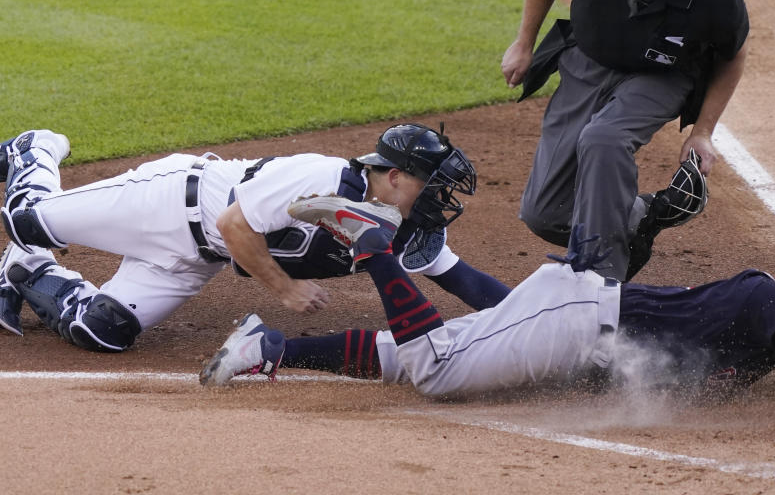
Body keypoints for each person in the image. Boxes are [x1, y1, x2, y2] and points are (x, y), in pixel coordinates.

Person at [200, 196, 775, 432]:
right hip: (574, 321)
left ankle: (272, 348)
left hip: (571, 328)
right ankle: (371, 242)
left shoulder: (770, 332)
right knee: (437, 371)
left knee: (409, 352)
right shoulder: (774, 302)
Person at [0, 124, 510, 350]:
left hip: (193, 260)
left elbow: (467, 283)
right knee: (23, 219)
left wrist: (532, 317)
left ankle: (28, 269)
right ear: (396, 176)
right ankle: (35, 149)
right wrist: (285, 289)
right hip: (169, 205)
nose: (440, 199)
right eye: (433, 185)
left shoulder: (401, 228)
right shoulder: (322, 179)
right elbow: (233, 226)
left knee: (101, 331)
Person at [501, 0, 749, 281]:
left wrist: (703, 131)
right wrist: (524, 43)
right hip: (589, 60)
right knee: (544, 214)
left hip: (661, 76)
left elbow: (733, 55)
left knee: (603, 138)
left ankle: (603, 285)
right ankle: (639, 214)